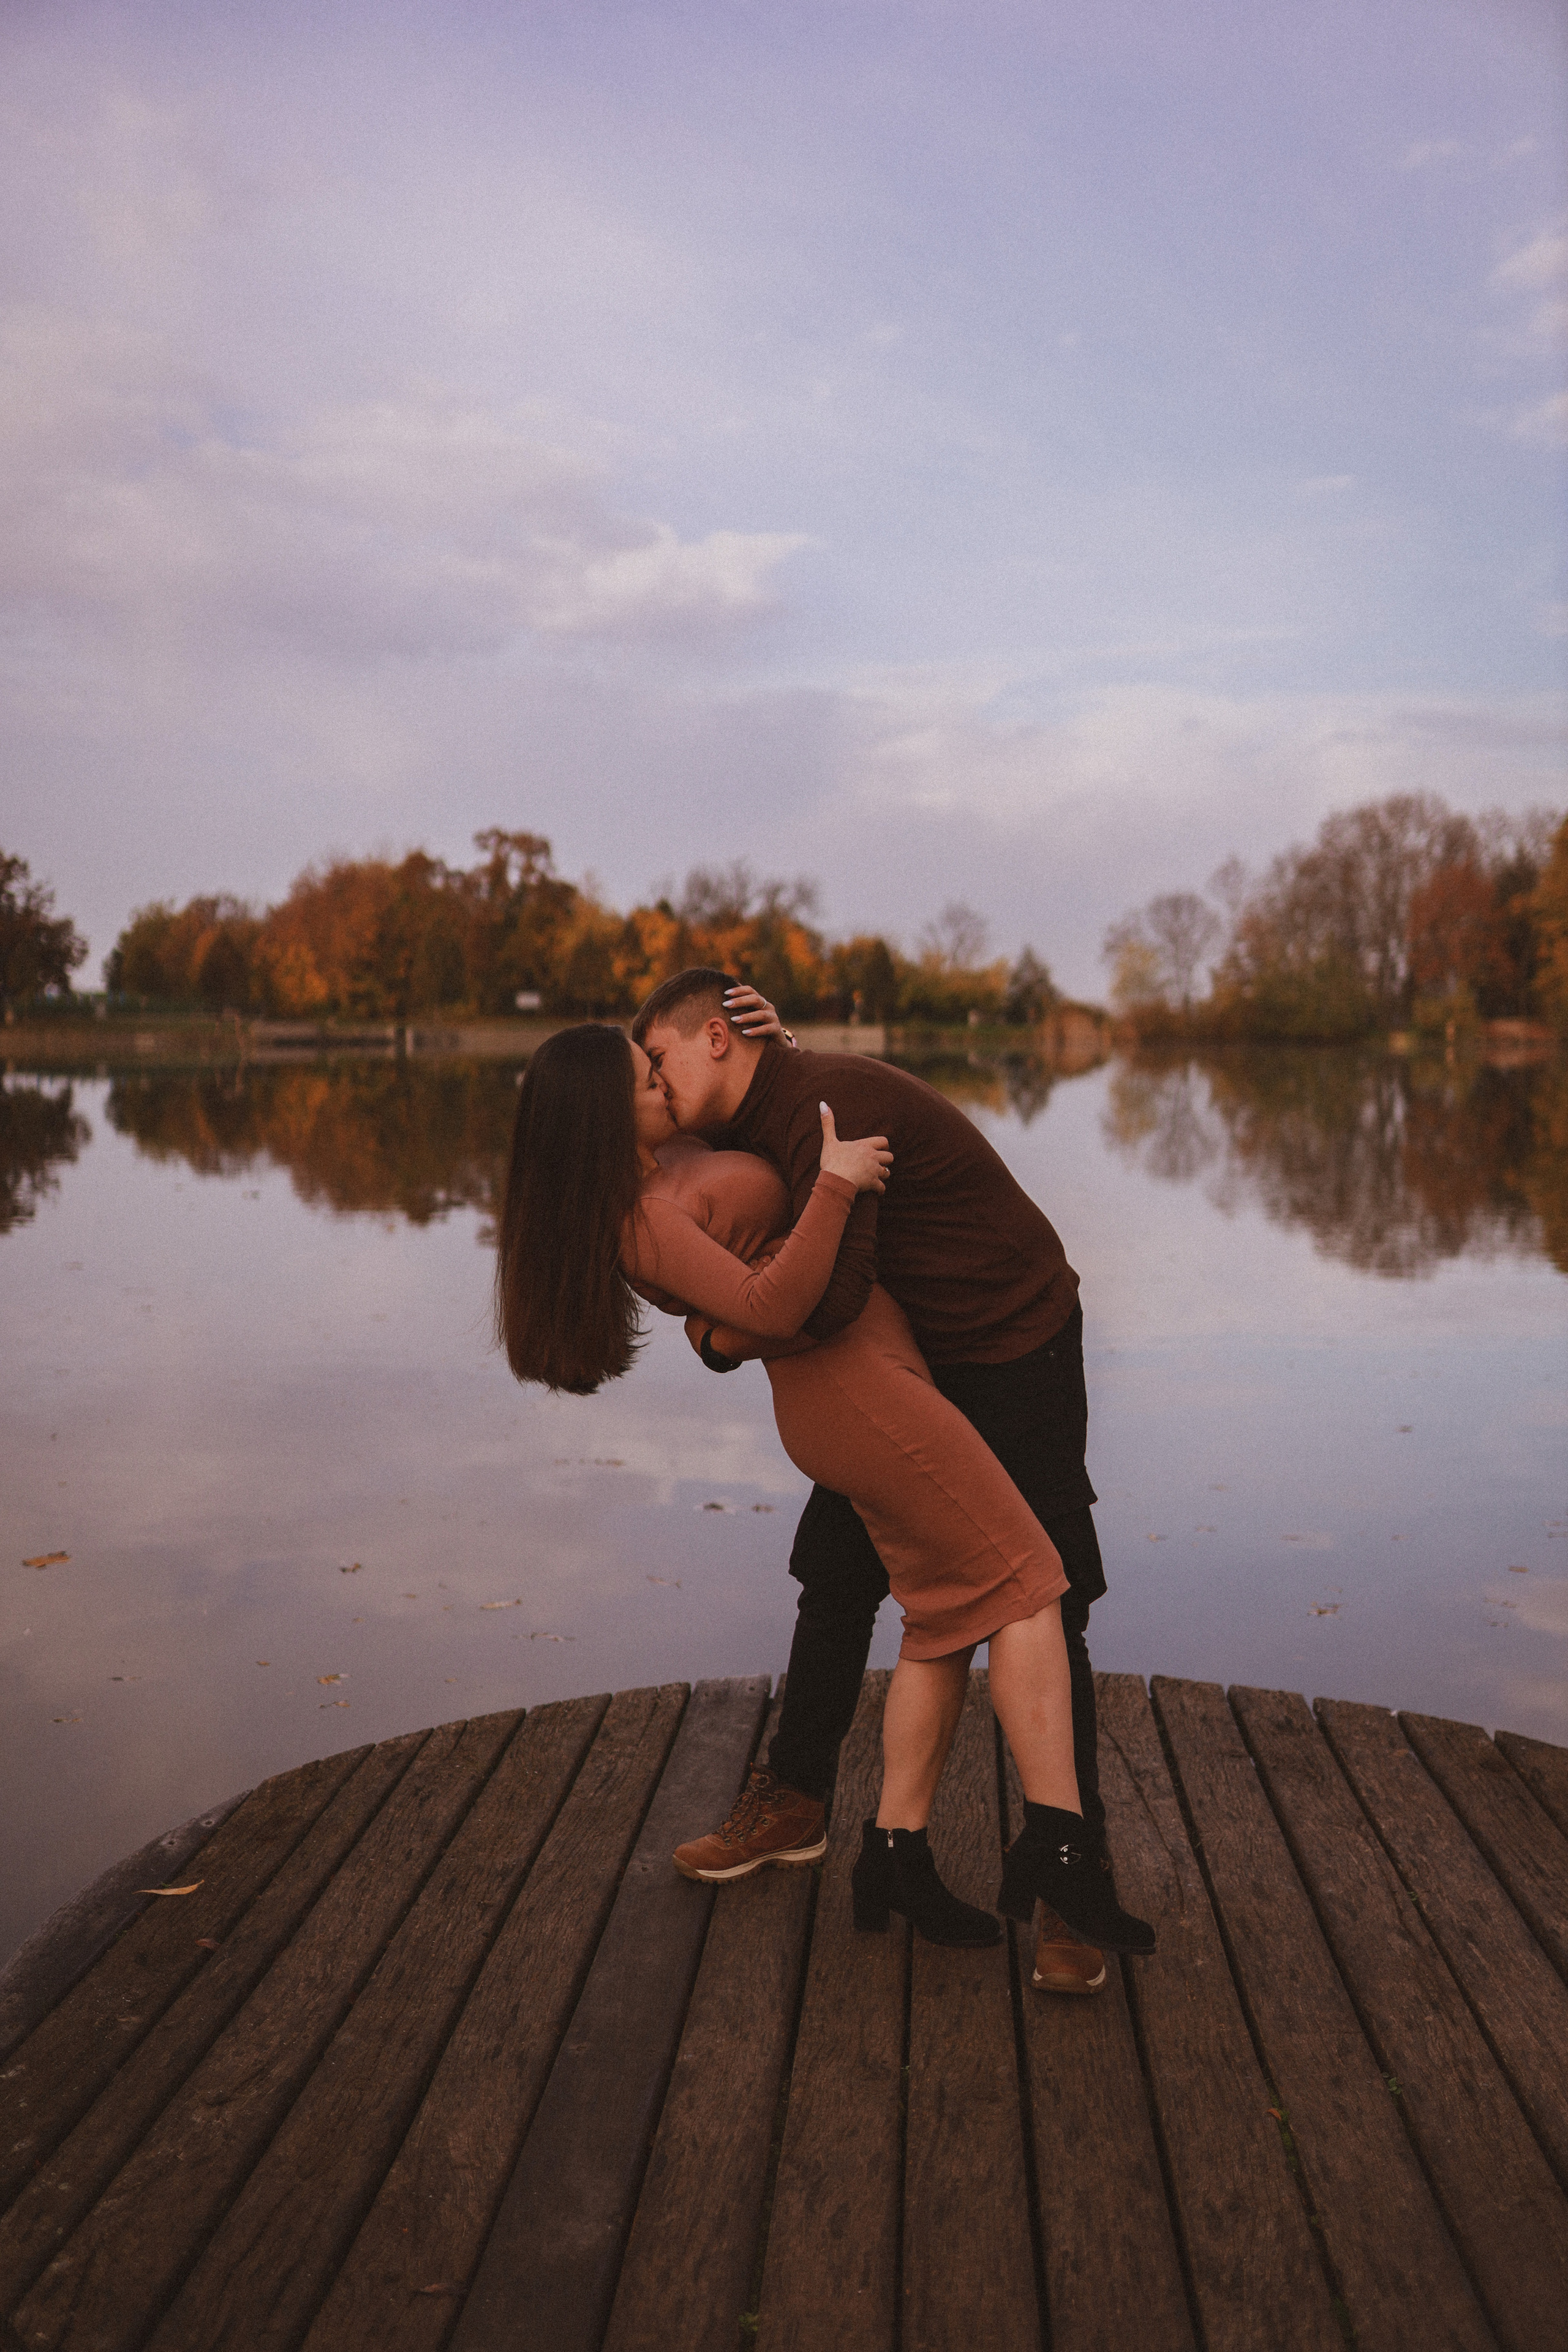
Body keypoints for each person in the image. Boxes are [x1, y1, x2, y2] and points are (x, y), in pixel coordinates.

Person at [495, 1019, 1153, 1956]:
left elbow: (769, 1127)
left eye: (660, 1058)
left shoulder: (685, 1144)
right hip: (852, 1393)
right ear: (605, 1111)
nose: (658, 1075)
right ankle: (1062, 1857)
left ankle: (895, 1855)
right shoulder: (638, 1216)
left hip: (894, 1360)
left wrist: (780, 1056)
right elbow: (768, 1303)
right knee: (1028, 1578)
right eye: (644, 1072)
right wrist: (830, 1195)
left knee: (940, 1610)